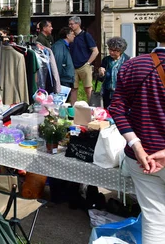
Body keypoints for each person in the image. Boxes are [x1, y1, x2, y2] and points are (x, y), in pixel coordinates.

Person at [110, 13, 165, 244]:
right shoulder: (133, 64)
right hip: (149, 157)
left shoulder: (133, 64)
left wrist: (137, 146)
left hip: (141, 157)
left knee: (154, 220)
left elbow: (117, 109)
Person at [68, 16, 99, 104]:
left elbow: (95, 51)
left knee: (88, 88)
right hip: (73, 67)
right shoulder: (71, 37)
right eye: (69, 24)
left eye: (72, 24)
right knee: (73, 89)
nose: (70, 26)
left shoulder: (86, 35)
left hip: (84, 66)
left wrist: (88, 63)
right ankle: (73, 110)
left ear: (78, 24)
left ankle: (92, 107)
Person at [98, 37, 130, 109]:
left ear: (121, 50)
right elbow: (101, 79)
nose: (111, 52)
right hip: (107, 93)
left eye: (114, 50)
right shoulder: (106, 60)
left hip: (122, 94)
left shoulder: (127, 60)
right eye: (110, 49)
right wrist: (101, 74)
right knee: (108, 113)